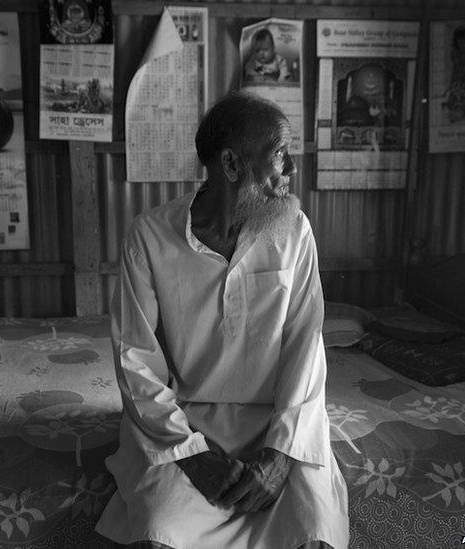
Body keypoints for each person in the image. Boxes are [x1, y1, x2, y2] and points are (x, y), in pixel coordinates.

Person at [95, 91, 349, 548]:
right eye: (279, 155)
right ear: (232, 165)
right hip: (184, 423)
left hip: (281, 423)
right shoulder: (150, 237)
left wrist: (280, 455)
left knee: (313, 535)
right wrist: (192, 456)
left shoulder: (294, 231)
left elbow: (305, 347)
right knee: (161, 534)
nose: (291, 170)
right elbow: (135, 360)